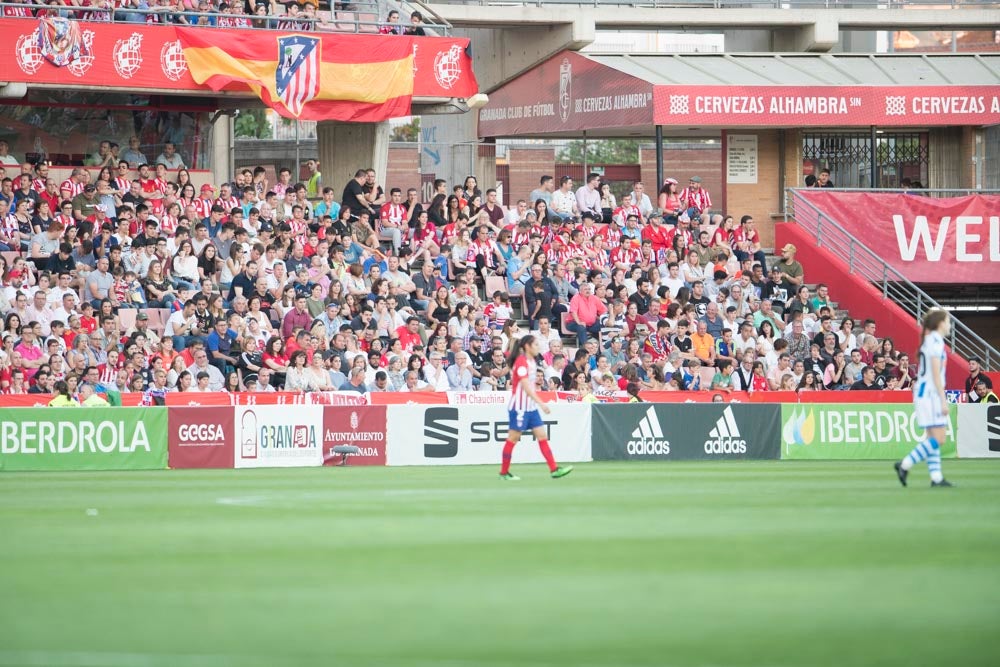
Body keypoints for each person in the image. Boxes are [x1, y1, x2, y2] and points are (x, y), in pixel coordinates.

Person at [498, 335, 573, 481]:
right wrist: (541, 403)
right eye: (536, 344)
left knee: (542, 436)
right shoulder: (521, 362)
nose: (538, 347)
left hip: (530, 407)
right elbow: (526, 387)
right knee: (513, 439)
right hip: (519, 407)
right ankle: (504, 472)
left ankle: (554, 469)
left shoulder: (532, 361)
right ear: (527, 346)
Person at [895, 308, 954, 488]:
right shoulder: (935, 342)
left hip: (923, 393)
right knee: (940, 438)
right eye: (948, 321)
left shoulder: (929, 341)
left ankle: (936, 477)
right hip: (931, 394)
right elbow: (936, 374)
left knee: (932, 438)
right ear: (940, 323)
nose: (949, 325)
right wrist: (943, 400)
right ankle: (905, 464)